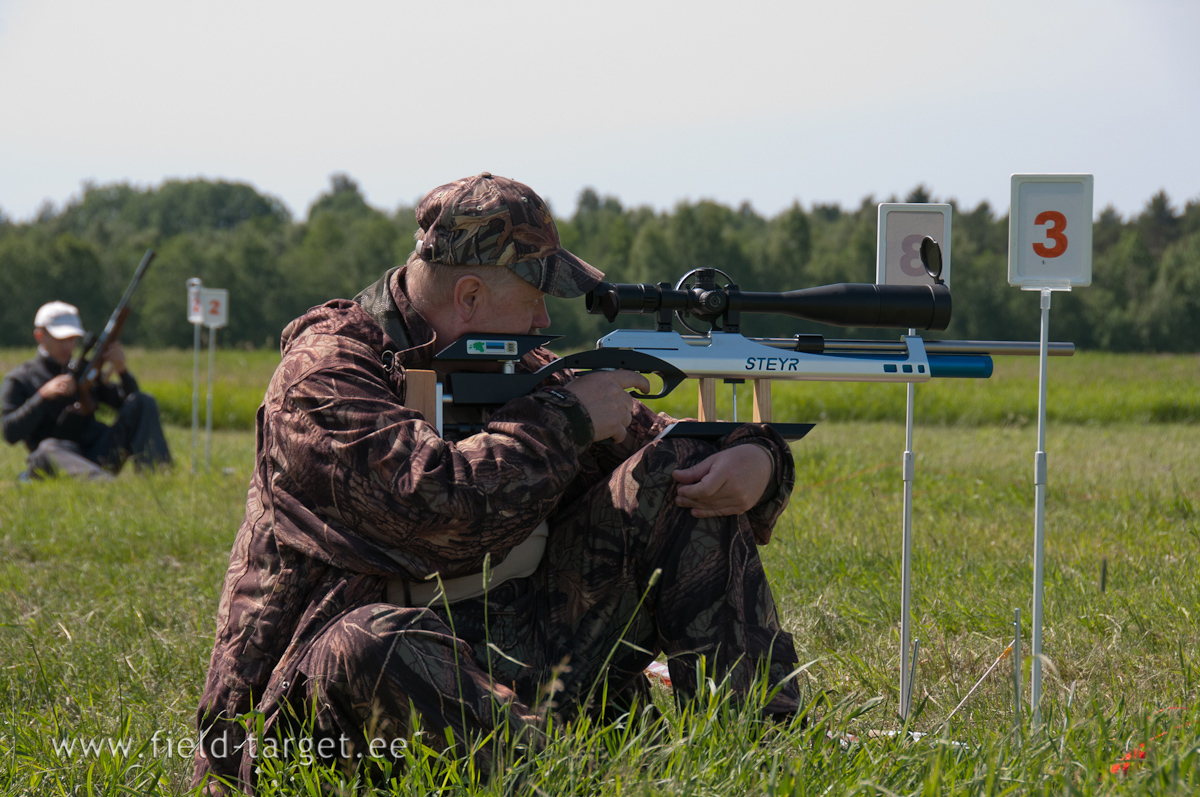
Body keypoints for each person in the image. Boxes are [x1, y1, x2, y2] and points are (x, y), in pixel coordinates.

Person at [192, 173, 800, 793]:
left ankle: (757, 756)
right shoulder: (322, 375)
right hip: (324, 711)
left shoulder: (514, 362)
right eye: (536, 294)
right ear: (471, 296)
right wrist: (567, 422)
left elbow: (671, 445)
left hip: (510, 651)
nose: (544, 318)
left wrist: (757, 461)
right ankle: (577, 778)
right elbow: (434, 511)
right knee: (368, 645)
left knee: (675, 482)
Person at [0, 300, 172, 480]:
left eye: (72, 339)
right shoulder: (20, 378)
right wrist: (42, 396)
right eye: (61, 339)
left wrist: (122, 371)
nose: (68, 346)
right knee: (47, 449)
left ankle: (158, 475)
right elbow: (10, 432)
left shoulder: (84, 371)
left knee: (145, 400)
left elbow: (132, 405)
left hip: (98, 453)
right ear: (40, 336)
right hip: (56, 457)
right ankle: (101, 481)